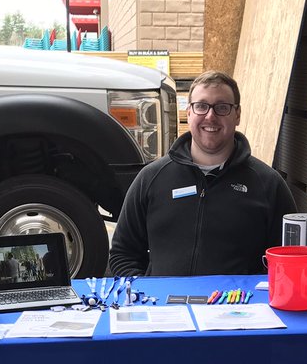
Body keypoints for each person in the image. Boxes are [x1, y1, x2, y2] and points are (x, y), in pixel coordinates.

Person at [108, 70, 297, 276]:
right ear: (188, 113)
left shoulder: (268, 184)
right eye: (201, 106)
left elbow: (291, 261)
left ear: (237, 115)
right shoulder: (151, 178)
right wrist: (147, 296)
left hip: (237, 306)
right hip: (166, 307)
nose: (210, 116)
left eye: (222, 107)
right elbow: (122, 254)